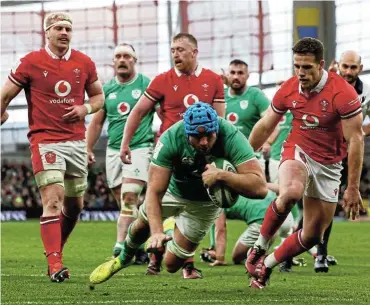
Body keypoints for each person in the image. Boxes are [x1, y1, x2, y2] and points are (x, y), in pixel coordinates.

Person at [89, 102, 268, 286]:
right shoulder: (171, 138)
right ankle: (124, 258)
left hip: (204, 204)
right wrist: (156, 233)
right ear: (187, 133)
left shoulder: (231, 136)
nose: (204, 142)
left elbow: (260, 188)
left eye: (209, 135)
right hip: (172, 191)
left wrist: (222, 175)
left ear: (216, 129)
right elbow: (154, 192)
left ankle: (169, 231)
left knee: (172, 265)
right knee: (143, 224)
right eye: (197, 137)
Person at [245, 37, 364, 289]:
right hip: (298, 149)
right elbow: (266, 123)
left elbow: (355, 140)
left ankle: (266, 265)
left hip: (330, 165)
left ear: (321, 65)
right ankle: (259, 247)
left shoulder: (343, 92)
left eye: (307, 67)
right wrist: (244, 158)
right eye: (297, 66)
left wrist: (352, 187)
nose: (301, 72)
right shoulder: (289, 87)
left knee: (312, 236)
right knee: (290, 193)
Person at [0, 12, 104, 282]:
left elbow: (98, 97)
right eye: (58, 28)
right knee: (53, 200)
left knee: (75, 206)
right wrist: (2, 113)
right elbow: (5, 93)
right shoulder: (31, 62)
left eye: (68, 28)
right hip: (45, 140)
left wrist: (85, 107)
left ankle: (57, 250)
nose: (64, 33)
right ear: (47, 32)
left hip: (76, 142)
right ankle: (56, 264)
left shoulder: (84, 62)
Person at [120, 32, 225, 278]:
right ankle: (149, 256)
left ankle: (183, 263)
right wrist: (126, 144)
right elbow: (137, 113)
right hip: (169, 157)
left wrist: (219, 159)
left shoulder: (213, 80)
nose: (175, 54)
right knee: (153, 204)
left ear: (194, 52)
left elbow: (219, 123)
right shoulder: (161, 80)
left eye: (180, 49)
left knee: (191, 208)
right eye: (173, 50)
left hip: (201, 156)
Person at [86, 43, 153, 262]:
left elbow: (163, 113)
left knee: (129, 197)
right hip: (113, 150)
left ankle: (120, 246)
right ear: (113, 62)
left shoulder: (146, 84)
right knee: (125, 203)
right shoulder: (107, 90)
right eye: (118, 56)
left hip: (140, 147)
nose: (122, 59)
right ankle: (141, 245)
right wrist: (87, 148)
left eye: (127, 56)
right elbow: (96, 123)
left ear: (135, 60)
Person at [201, 184, 295, 267]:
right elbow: (276, 188)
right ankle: (278, 255)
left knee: (237, 257)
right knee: (258, 250)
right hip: (281, 216)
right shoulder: (237, 182)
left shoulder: (217, 200)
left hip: (262, 221)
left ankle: (277, 257)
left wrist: (220, 258)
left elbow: (220, 228)